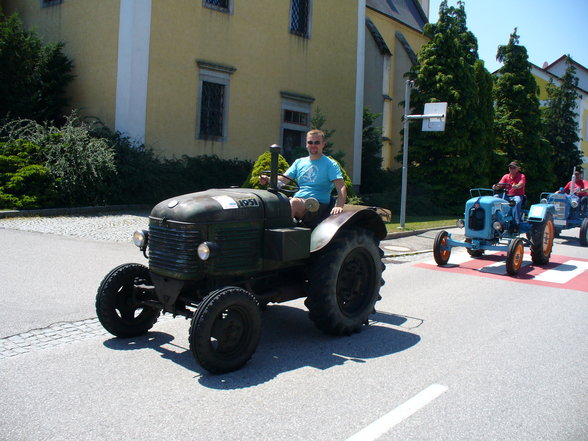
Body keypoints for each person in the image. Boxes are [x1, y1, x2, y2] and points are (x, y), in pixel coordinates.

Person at [259, 129, 347, 221]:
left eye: (317, 142)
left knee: (294, 203)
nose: (313, 145)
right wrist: (268, 179)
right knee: (271, 204)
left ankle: (283, 233)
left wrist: (339, 206)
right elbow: (283, 180)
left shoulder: (330, 164)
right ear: (306, 144)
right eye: (310, 142)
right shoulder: (299, 162)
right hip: (299, 201)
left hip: (318, 206)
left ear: (323, 144)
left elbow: (341, 187)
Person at [493, 161, 526, 228]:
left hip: (517, 195)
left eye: (514, 168)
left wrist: (516, 186)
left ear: (518, 169)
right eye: (510, 167)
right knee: (494, 198)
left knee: (517, 202)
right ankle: (493, 219)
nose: (511, 169)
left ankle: (516, 223)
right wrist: (496, 187)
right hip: (506, 196)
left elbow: (521, 184)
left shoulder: (521, 176)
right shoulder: (506, 176)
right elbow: (500, 184)